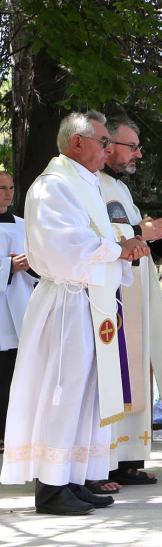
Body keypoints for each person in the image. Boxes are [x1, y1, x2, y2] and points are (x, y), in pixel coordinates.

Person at [0, 112, 149, 515]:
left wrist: (127, 245)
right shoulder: (53, 186)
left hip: (91, 300)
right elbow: (68, 245)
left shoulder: (83, 185)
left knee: (85, 394)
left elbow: (98, 240)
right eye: (102, 141)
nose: (107, 149)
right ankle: (50, 488)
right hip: (66, 300)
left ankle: (72, 477)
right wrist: (121, 248)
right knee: (61, 391)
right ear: (76, 143)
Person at [98, 115, 162, 486]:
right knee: (113, 375)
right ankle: (105, 462)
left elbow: (131, 235)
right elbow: (102, 236)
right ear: (107, 147)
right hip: (110, 296)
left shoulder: (120, 189)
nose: (138, 153)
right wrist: (139, 232)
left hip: (133, 292)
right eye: (131, 146)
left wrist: (153, 238)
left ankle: (128, 459)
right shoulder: (91, 187)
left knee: (133, 375)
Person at [0, 170, 39, 455]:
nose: (8, 193)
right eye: (2, 188)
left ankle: (15, 437)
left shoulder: (23, 225)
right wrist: (6, 267)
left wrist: (28, 265)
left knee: (16, 375)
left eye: (11, 187)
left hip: (21, 304)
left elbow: (40, 267)